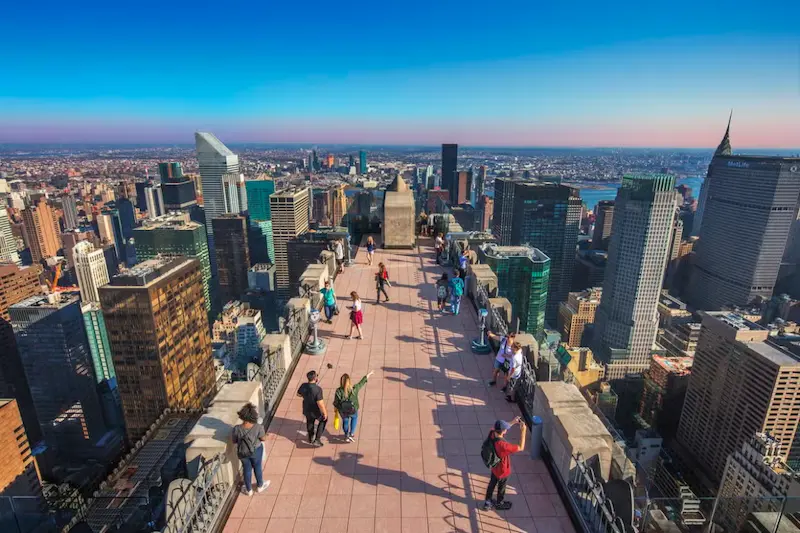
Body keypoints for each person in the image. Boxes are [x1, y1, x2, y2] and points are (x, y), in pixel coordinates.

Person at [483, 417, 527, 511]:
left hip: (494, 466)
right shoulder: (504, 446)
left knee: (492, 484)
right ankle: (499, 503)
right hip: (503, 470)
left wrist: (513, 422)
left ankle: (488, 501)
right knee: (501, 487)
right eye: (506, 429)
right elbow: (521, 447)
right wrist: (523, 431)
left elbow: (502, 428)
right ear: (504, 431)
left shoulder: (492, 433)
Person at [232, 403, 270, 495]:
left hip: (243, 452)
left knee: (246, 469)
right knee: (257, 467)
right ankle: (260, 485)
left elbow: (234, 441)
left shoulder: (237, 429)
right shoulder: (258, 427)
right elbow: (263, 438)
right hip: (256, 450)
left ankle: (248, 490)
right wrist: (267, 435)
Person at [334, 371, 374, 442]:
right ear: (349, 381)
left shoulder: (338, 391)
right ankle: (351, 433)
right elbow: (361, 383)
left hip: (343, 411)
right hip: (353, 409)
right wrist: (368, 374)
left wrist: (336, 409)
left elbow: (336, 402)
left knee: (345, 422)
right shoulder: (354, 389)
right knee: (354, 419)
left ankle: (346, 435)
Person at [297, 370, 328, 446]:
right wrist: (325, 413)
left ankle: (311, 438)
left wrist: (305, 396)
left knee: (310, 422)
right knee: (323, 420)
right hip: (315, 410)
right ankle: (317, 439)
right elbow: (320, 403)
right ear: (315, 378)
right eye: (317, 375)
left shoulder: (303, 385)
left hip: (306, 408)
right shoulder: (318, 389)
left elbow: (298, 394)